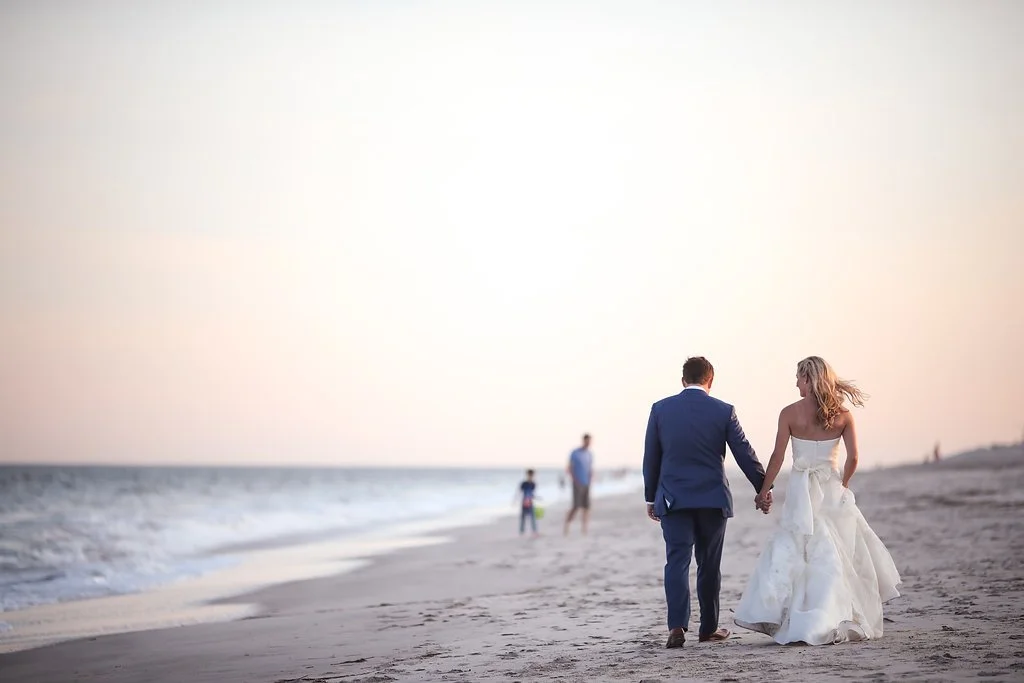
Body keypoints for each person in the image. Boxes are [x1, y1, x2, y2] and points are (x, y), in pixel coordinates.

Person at [734, 356, 902, 645]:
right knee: (835, 553)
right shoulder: (843, 416)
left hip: (803, 491)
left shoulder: (788, 413)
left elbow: (777, 457)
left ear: (809, 380)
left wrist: (763, 491)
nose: (796, 383)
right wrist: (844, 483)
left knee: (802, 549)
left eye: (799, 377)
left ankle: (802, 615)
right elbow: (854, 457)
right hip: (831, 488)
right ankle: (830, 613)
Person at [643, 357, 769, 648]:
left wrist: (651, 497)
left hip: (673, 499)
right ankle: (708, 628)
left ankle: (676, 627)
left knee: (676, 561)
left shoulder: (661, 409)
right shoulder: (723, 411)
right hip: (712, 499)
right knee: (709, 564)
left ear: (683, 380)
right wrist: (763, 487)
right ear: (710, 381)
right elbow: (743, 452)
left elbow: (651, 457)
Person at [564, 433, 593, 535]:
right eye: (587, 441)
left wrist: (590, 480)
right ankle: (566, 526)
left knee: (586, 507)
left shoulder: (589, 454)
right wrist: (574, 479)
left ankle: (584, 530)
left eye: (590, 441)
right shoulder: (575, 453)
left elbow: (590, 469)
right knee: (576, 506)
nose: (588, 443)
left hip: (586, 483)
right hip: (577, 483)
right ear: (583, 440)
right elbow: (569, 468)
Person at [519, 469, 539, 536]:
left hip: (530, 502)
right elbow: (520, 492)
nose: (530, 476)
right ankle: (522, 531)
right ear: (527, 475)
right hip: (524, 501)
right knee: (523, 517)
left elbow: (532, 493)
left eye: (532, 475)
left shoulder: (533, 484)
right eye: (529, 475)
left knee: (533, 517)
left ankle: (534, 531)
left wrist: (535, 497)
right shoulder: (524, 483)